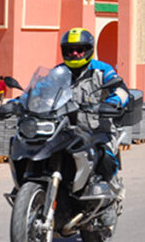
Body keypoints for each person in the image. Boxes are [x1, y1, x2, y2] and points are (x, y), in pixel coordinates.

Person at [55, 28, 130, 191]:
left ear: (88, 50)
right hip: (65, 132)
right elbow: (40, 91)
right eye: (70, 50)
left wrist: (112, 103)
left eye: (79, 50)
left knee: (104, 159)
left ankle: (107, 196)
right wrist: (20, 102)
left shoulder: (102, 70)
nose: (74, 53)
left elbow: (121, 90)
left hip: (97, 131)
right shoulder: (58, 73)